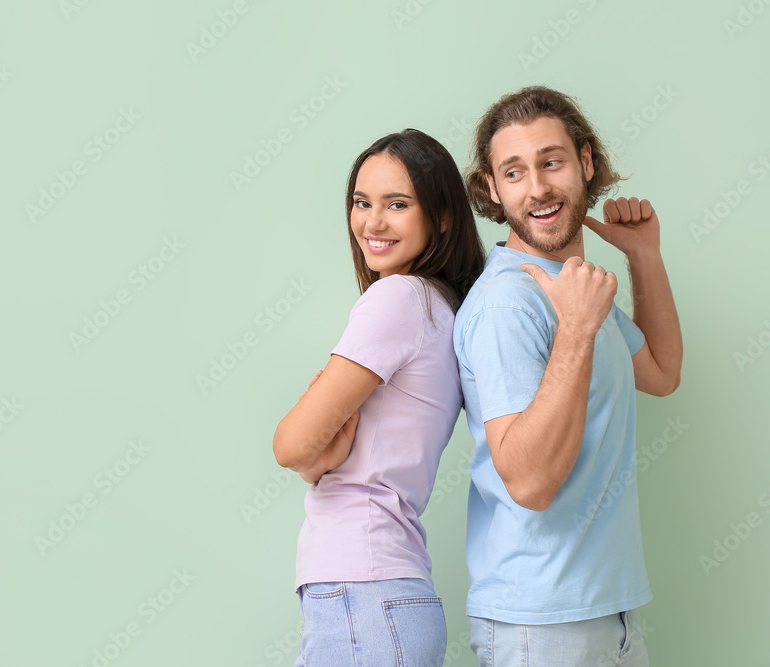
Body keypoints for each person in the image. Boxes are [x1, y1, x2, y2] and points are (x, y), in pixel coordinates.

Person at [454, 86, 683, 666]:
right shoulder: (510, 302)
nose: (537, 188)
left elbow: (660, 371)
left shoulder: (575, 285)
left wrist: (644, 257)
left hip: (606, 610)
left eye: (551, 161)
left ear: (585, 162)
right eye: (514, 172)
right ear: (491, 189)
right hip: (543, 622)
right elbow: (528, 484)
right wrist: (576, 331)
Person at [273, 128, 486, 666]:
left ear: (441, 217)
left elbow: (294, 446)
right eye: (362, 203)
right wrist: (321, 453)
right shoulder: (441, 305)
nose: (372, 222)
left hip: (362, 593)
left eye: (397, 204)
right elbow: (316, 452)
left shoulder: (396, 298)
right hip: (381, 595)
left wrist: (317, 453)